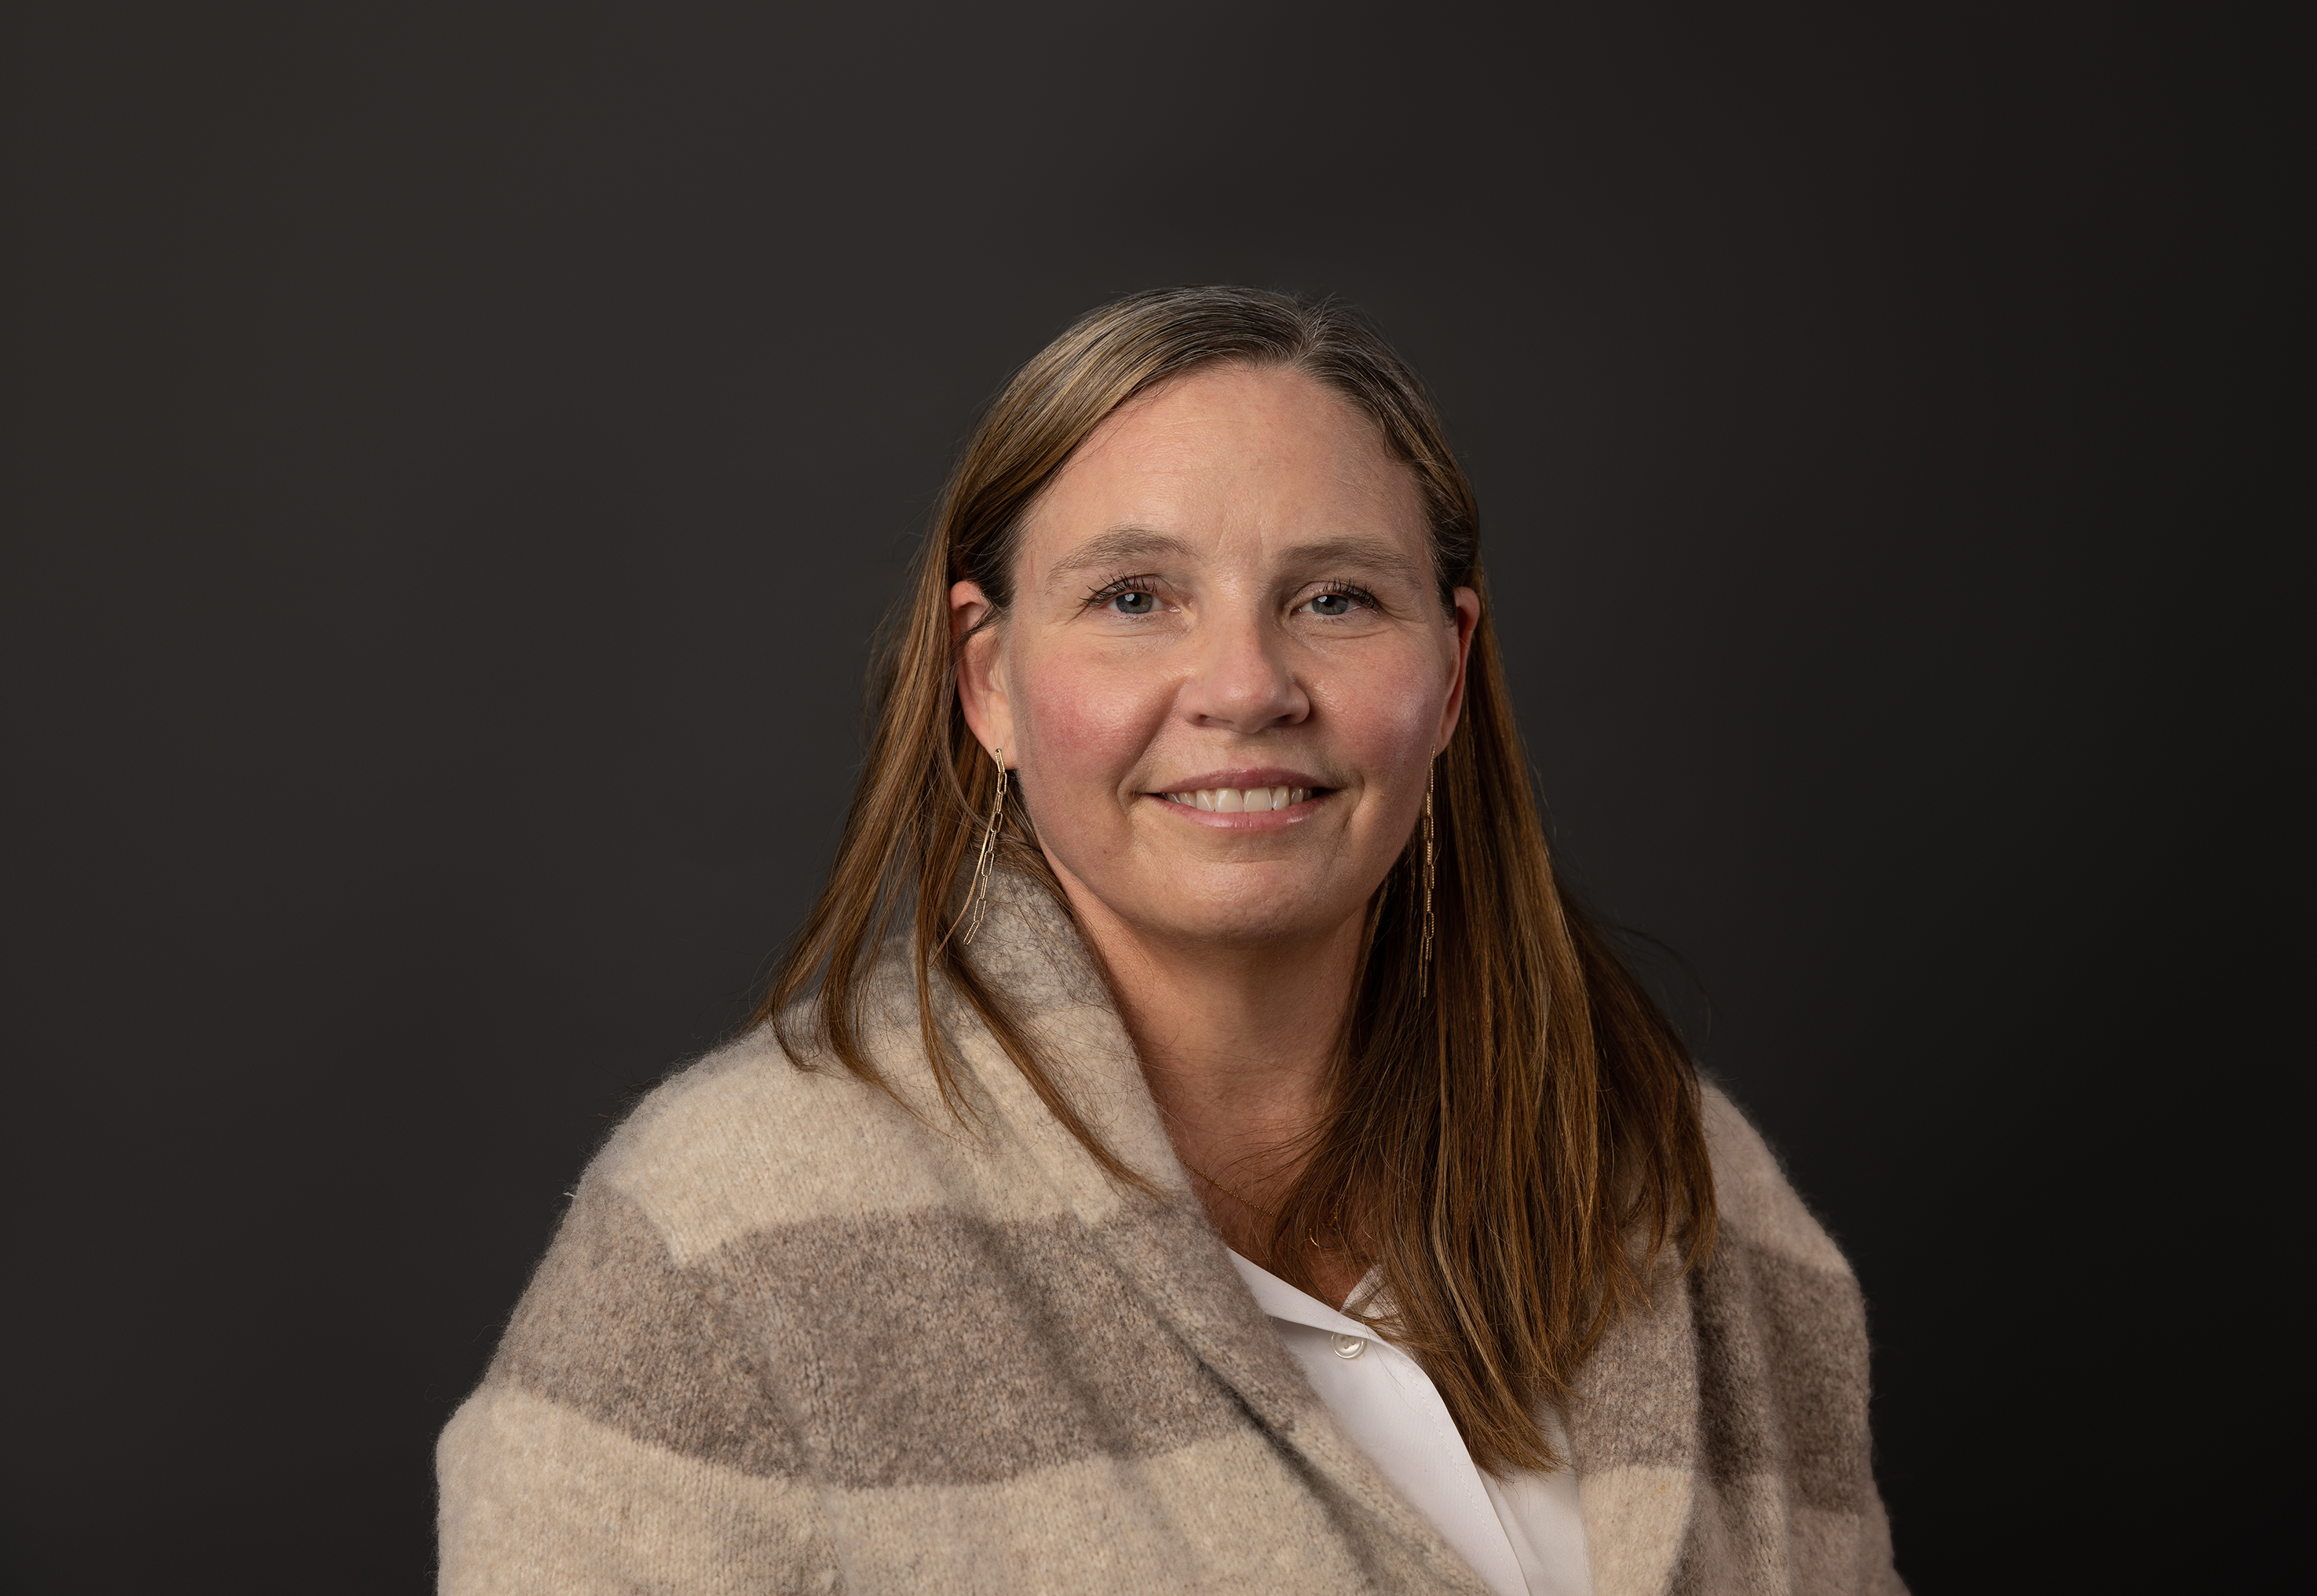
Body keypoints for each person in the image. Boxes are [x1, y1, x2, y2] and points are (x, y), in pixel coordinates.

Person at [437, 286, 1904, 1595]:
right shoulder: (722, 1248)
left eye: (1335, 599)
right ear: (990, 682)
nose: (1246, 684)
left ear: (1450, 675)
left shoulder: (1691, 1199)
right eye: (1136, 598)